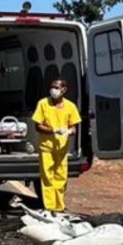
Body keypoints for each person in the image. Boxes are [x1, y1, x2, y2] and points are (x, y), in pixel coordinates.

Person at [31, 79, 82, 212]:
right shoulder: (43, 104)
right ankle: (49, 206)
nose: (53, 90)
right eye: (52, 87)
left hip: (61, 148)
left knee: (60, 177)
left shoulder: (70, 106)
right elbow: (38, 126)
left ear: (64, 90)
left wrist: (69, 131)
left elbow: (74, 127)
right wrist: (53, 130)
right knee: (47, 177)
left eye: (56, 88)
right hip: (46, 147)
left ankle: (59, 206)